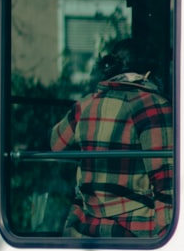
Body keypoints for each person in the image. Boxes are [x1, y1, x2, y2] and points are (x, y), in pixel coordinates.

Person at [51, 38, 174, 237]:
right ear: (148, 74)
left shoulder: (85, 105)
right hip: (136, 230)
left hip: (87, 225)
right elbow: (166, 182)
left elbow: (56, 145)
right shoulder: (153, 106)